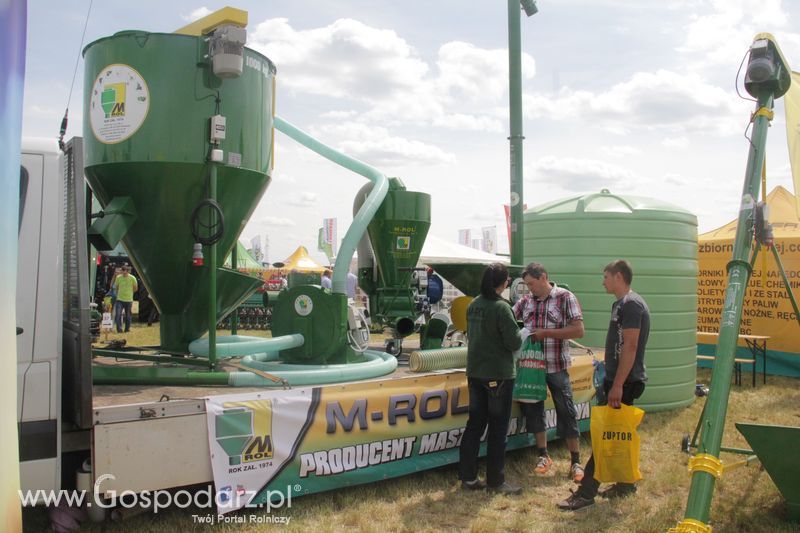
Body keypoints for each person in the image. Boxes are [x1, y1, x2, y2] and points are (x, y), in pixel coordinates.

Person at [557, 259, 650, 511]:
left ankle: (586, 492)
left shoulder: (631, 305)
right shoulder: (620, 304)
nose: (603, 281)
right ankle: (626, 484)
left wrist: (618, 384)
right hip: (618, 378)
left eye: (606, 277)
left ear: (618, 276)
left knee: (605, 437)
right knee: (619, 433)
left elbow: (630, 346)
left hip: (625, 381)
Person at [512, 262, 586, 483]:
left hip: (556, 366)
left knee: (566, 410)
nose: (529, 289)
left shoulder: (565, 297)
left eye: (532, 284)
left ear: (543, 277)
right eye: (526, 285)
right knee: (533, 410)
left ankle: (575, 461)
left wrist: (546, 333)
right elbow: (508, 319)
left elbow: (579, 330)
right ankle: (543, 455)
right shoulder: (525, 301)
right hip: (531, 368)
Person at [458, 263, 523, 494]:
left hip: (475, 372)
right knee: (498, 429)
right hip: (499, 374)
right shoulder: (502, 308)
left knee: (474, 426)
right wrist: (522, 332)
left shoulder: (474, 304)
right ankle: (496, 481)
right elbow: (514, 342)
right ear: (503, 283)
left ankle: (468, 478)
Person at [113, 265, 138, 333]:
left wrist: (129, 293)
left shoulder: (133, 278)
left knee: (128, 316)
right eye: (122, 271)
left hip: (129, 300)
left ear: (128, 271)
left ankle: (127, 329)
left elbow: (135, 288)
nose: (123, 273)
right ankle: (119, 329)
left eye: (125, 272)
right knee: (118, 315)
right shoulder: (118, 278)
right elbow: (116, 287)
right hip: (120, 299)